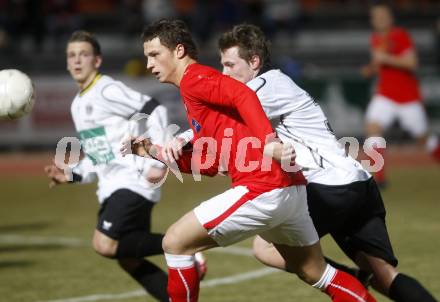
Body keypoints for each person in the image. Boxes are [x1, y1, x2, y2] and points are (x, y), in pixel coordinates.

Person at [122, 19, 376, 302]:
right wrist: (153, 152)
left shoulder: (194, 78)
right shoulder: (195, 92)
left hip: (263, 187)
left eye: (154, 54)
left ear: (178, 51)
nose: (148, 64)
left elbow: (242, 93)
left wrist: (270, 142)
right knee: (317, 273)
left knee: (174, 243)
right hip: (291, 190)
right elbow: (211, 163)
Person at [216, 23, 437, 302]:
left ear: (254, 61)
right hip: (358, 182)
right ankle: (358, 280)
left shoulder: (264, 87)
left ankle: (347, 281)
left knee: (264, 248)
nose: (224, 73)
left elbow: (224, 121)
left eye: (229, 64)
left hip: (327, 188)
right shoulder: (279, 82)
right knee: (383, 276)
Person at [44, 30, 172, 301]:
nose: (77, 60)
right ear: (67, 63)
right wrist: (71, 174)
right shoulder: (79, 104)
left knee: (104, 244)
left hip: (133, 181)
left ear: (97, 60)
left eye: (84, 54)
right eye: (71, 55)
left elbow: (153, 107)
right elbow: (99, 155)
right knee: (129, 259)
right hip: (113, 185)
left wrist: (159, 158)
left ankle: (183, 246)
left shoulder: (106, 88)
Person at [361, 2, 440, 187]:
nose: (379, 19)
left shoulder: (400, 35)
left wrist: (384, 59)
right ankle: (379, 178)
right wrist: (370, 68)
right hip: (385, 95)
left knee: (424, 138)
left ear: (390, 18)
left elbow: (412, 63)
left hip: (407, 98)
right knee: (373, 127)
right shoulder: (375, 38)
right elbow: (379, 63)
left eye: (382, 15)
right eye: (376, 16)